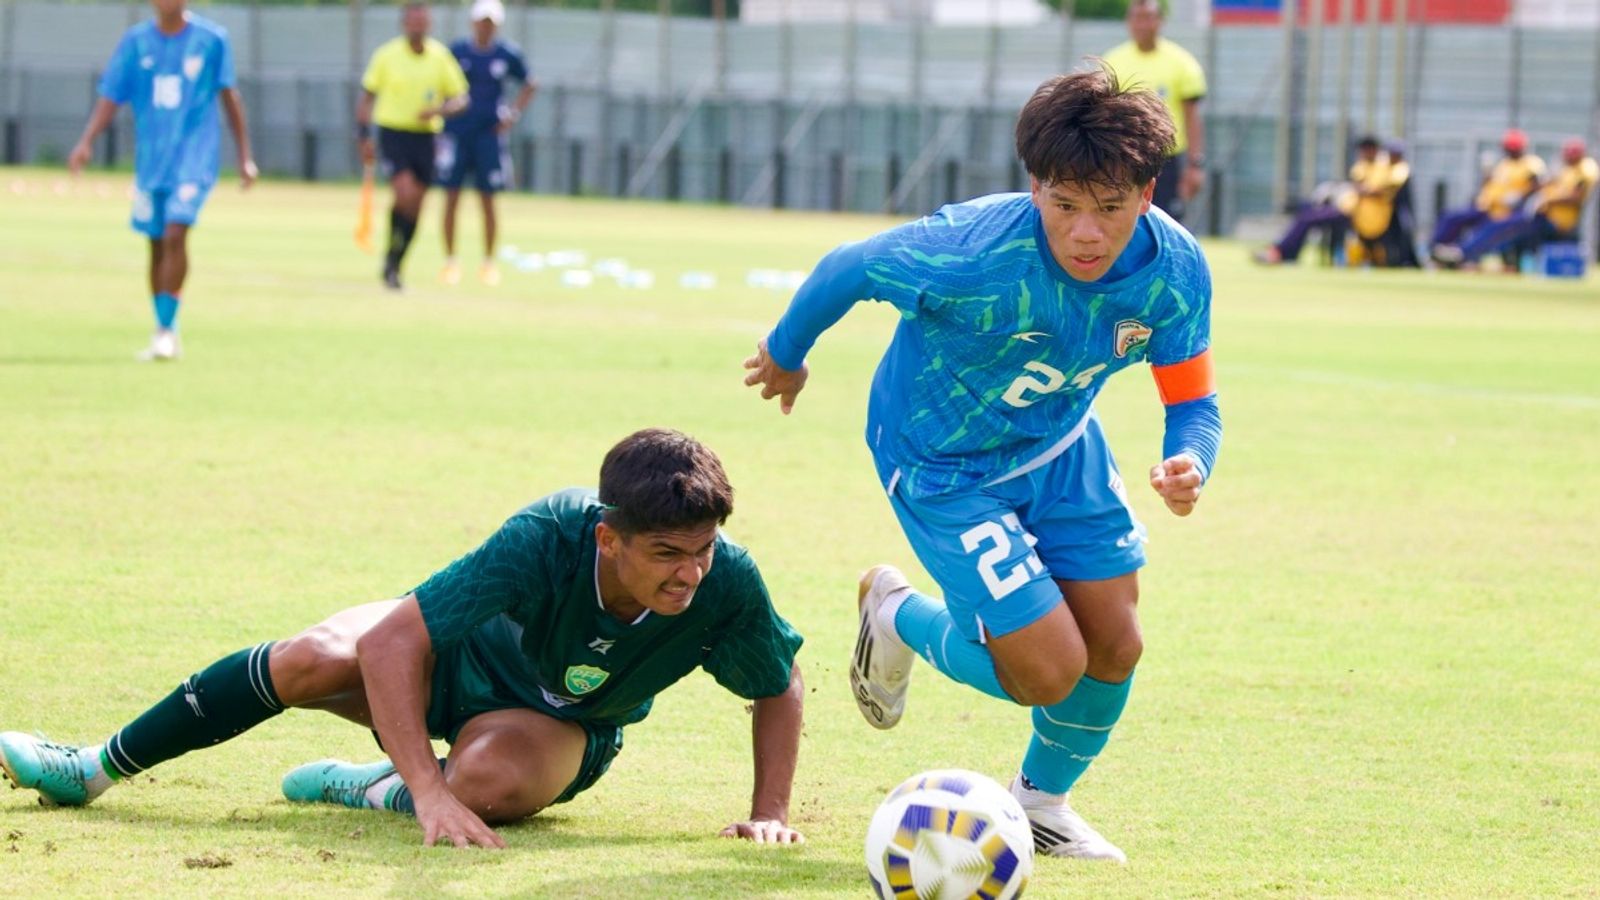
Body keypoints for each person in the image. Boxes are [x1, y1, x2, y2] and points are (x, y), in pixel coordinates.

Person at [743, 66, 1220, 863]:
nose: (1086, 233)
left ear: (1147, 192)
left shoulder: (1174, 271)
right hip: (943, 464)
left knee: (1117, 646)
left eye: (1109, 208)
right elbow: (851, 267)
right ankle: (896, 615)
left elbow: (1193, 401)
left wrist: (1188, 459)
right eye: (1065, 206)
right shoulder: (972, 248)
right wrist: (786, 354)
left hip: (1060, 447)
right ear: (1036, 188)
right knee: (1048, 670)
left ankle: (1041, 805)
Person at [0, 428, 807, 849]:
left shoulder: (727, 580)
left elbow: (778, 682)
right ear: (609, 540)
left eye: (701, 549)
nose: (690, 573)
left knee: (483, 781)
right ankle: (93, 767)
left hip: (559, 726)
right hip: (448, 664)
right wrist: (428, 793)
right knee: (314, 656)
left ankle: (370, 782)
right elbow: (393, 642)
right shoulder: (550, 535)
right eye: (667, 554)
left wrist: (767, 811)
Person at [65, 0, 257, 362]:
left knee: (175, 233)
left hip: (194, 159)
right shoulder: (136, 43)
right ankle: (164, 324)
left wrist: (245, 156)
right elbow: (111, 96)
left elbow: (230, 96)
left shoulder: (212, 40)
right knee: (155, 244)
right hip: (152, 160)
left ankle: (165, 332)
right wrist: (86, 141)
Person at [358, 1, 470, 291]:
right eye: (413, 21)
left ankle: (395, 261)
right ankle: (392, 258)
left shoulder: (440, 56)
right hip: (394, 134)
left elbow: (461, 98)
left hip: (426, 137)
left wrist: (439, 112)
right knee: (405, 192)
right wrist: (363, 136)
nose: (417, 26)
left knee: (416, 204)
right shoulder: (387, 55)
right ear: (404, 24)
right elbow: (367, 97)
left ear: (428, 24)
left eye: (422, 21)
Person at [439, 0, 539, 288]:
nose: (485, 27)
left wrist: (513, 113)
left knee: (488, 199)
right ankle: (450, 261)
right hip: (458, 133)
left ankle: (488, 262)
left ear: (497, 25)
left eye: (491, 23)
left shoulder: (507, 54)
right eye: (482, 21)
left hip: (489, 136)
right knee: (451, 196)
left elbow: (530, 83)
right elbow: (441, 85)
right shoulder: (456, 52)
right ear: (472, 22)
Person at [1102, 0, 1208, 225]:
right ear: (1128, 22)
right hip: (1124, 157)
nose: (1142, 25)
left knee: (1167, 223)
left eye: (1148, 18)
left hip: (1167, 160)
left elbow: (1192, 116)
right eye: (1137, 18)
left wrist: (1195, 164)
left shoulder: (1182, 62)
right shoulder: (1112, 61)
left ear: (1160, 21)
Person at [1433, 137, 1598, 269]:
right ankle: (1439, 250)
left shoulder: (1585, 169)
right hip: (1505, 208)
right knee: (1456, 217)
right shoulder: (1564, 169)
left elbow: (1575, 198)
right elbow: (1549, 184)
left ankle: (1463, 254)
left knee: (1499, 227)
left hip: (1551, 219)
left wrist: (1543, 198)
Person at [1252, 136, 1383, 265]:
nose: (1361, 153)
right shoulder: (1361, 166)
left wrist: (1358, 189)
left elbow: (1375, 191)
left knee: (1306, 218)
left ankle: (1280, 253)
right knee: (1303, 208)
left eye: (1364, 150)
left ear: (1372, 150)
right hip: (1342, 207)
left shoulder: (1382, 168)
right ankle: (1282, 251)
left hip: (1354, 214)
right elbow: (1357, 188)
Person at [1429, 128, 1546, 264]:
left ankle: (1461, 254)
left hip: (1512, 212)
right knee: (1452, 217)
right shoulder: (1504, 164)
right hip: (1488, 207)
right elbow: (1492, 184)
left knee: (1488, 229)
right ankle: (1435, 250)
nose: (1509, 151)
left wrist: (1520, 195)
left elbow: (1538, 185)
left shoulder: (1531, 163)